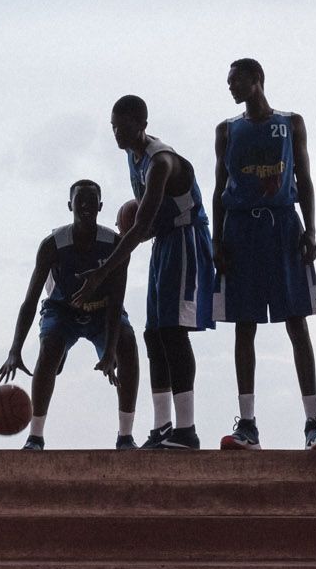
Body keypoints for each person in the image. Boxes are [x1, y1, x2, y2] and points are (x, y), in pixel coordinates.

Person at [77, 95, 215, 449]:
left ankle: (187, 431)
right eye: (112, 127)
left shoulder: (160, 162)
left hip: (186, 238)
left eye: (122, 127)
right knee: (154, 335)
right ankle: (162, 427)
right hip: (165, 240)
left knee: (173, 332)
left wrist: (102, 273)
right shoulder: (132, 155)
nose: (116, 133)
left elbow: (139, 226)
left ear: (142, 125)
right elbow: (145, 223)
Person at [212, 58, 316, 450]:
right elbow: (218, 187)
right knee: (244, 324)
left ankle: (313, 423)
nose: (230, 86)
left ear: (256, 79)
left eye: (236, 80)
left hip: (283, 226)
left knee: (296, 321)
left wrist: (311, 230)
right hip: (240, 229)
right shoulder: (226, 130)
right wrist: (216, 241)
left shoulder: (291, 123)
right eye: (228, 82)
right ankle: (247, 425)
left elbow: (304, 179)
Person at [0, 180, 142, 449]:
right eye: (79, 200)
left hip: (102, 311)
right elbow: (30, 301)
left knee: (127, 344)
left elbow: (116, 301)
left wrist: (110, 351)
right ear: (69, 205)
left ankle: (125, 436)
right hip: (63, 310)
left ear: (100, 206)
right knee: (49, 349)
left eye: (91, 200)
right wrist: (15, 350)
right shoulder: (52, 245)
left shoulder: (115, 244)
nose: (85, 205)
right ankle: (35, 437)